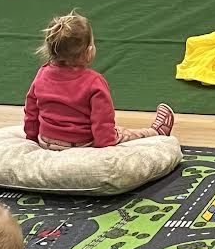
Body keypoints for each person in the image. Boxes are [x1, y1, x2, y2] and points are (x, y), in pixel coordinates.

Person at [25, 11, 174, 149]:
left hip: (47, 141)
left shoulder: (42, 73)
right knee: (122, 133)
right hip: (81, 144)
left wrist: (31, 138)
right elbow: (102, 123)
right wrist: (106, 148)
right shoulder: (94, 82)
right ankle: (156, 132)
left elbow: (31, 110)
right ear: (88, 52)